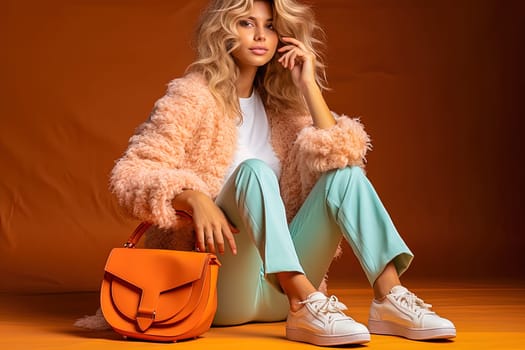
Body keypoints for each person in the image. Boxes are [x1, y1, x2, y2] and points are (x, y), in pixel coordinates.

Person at [109, 0, 456, 346]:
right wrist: (192, 196)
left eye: (271, 25)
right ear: (223, 30)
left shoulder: (282, 107)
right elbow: (130, 174)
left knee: (345, 174)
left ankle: (389, 297)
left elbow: (340, 152)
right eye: (246, 23)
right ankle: (303, 301)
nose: (261, 35)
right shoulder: (192, 96)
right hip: (217, 289)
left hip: (278, 294)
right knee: (254, 172)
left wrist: (308, 86)